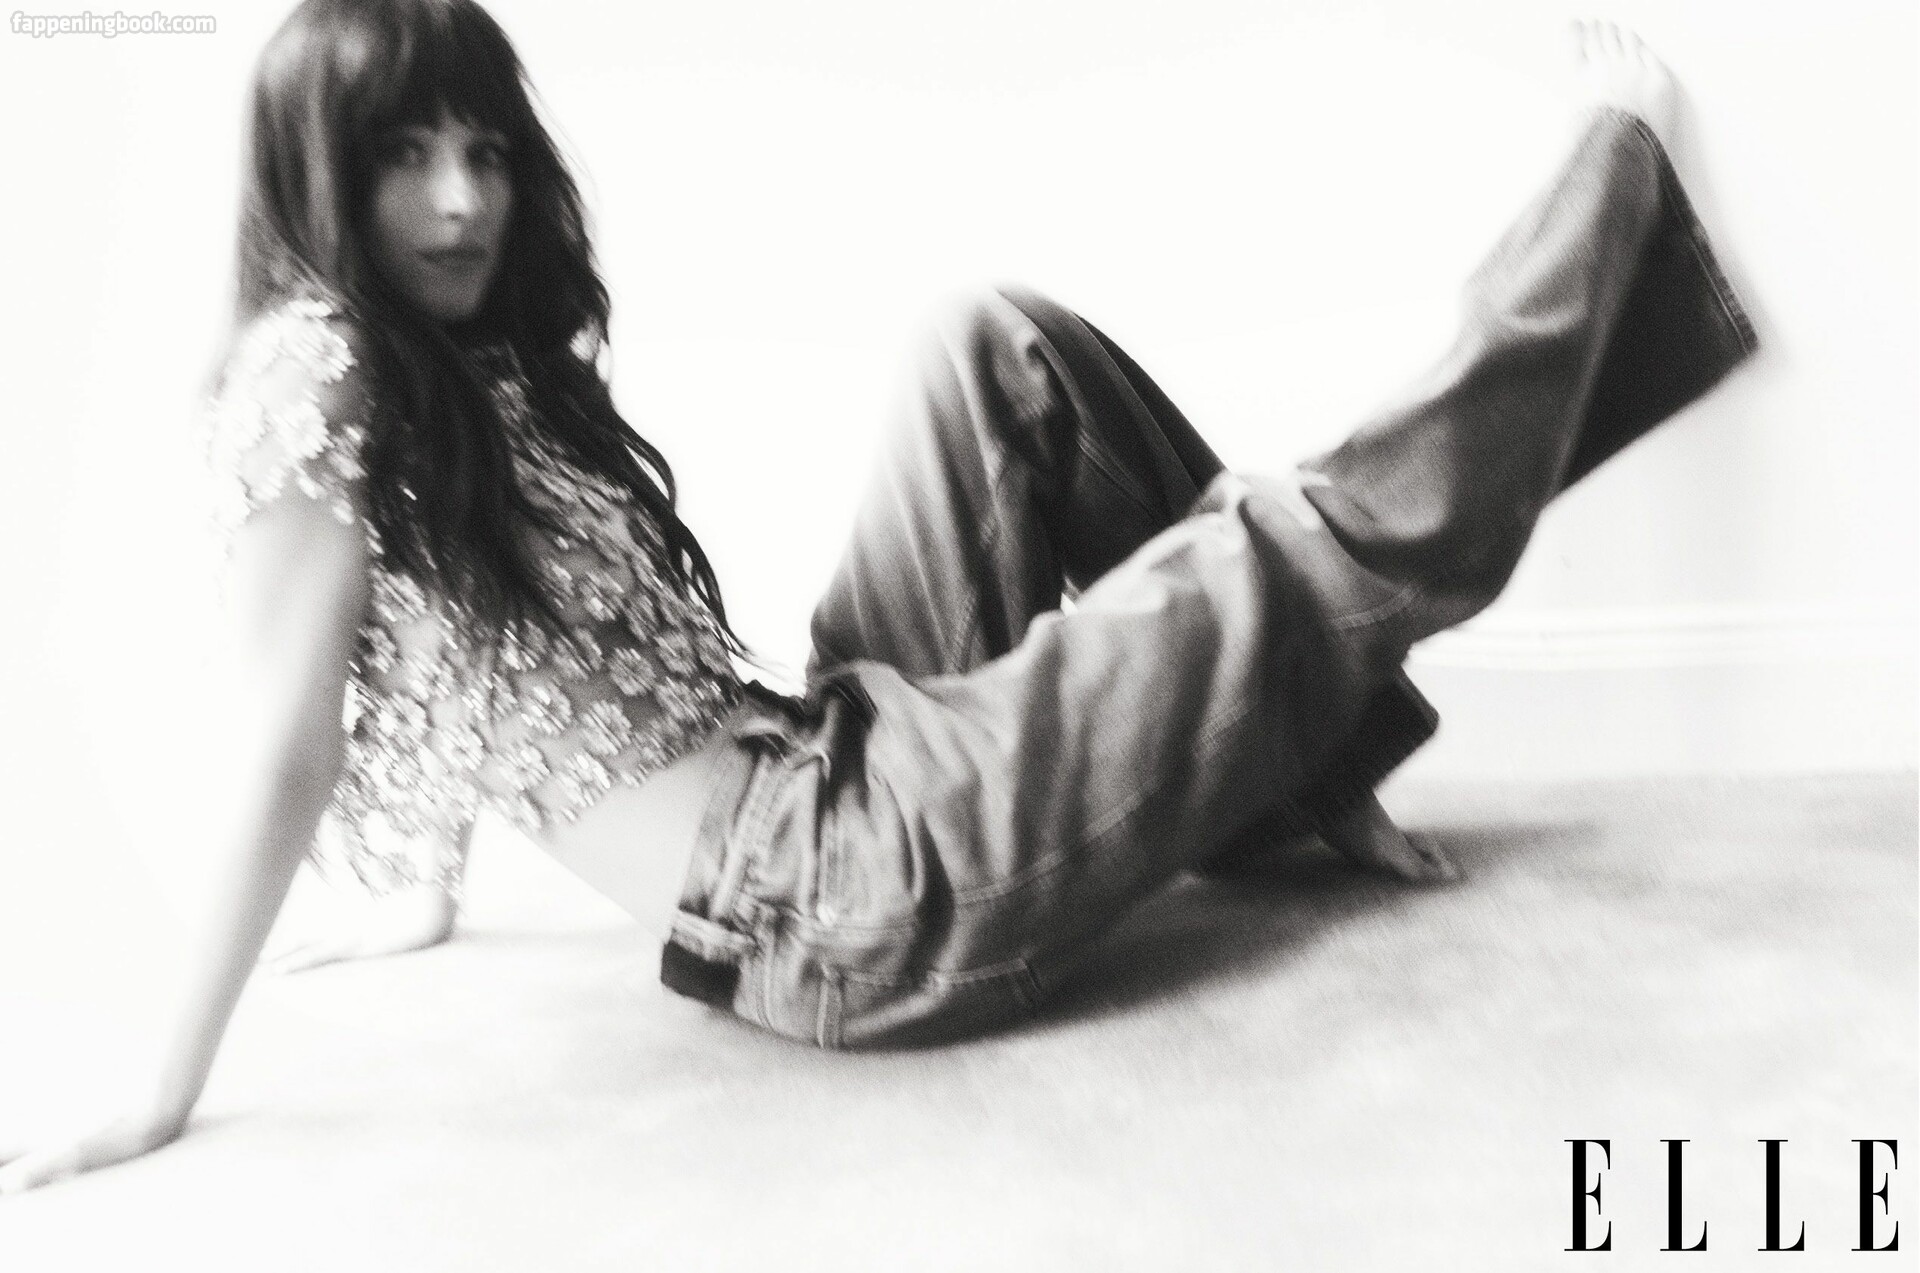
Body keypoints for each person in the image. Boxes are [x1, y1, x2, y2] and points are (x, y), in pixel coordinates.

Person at [0, 2, 1756, 1193]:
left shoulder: (444, 362)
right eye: (406, 155)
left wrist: (424, 890)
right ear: (321, 167)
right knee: (1281, 545)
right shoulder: (314, 374)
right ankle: (1614, 192)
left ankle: (1296, 758)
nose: (462, 200)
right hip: (852, 900)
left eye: (487, 150)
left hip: (827, 752)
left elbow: (451, 636)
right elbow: (288, 739)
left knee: (989, 348)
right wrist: (160, 1085)